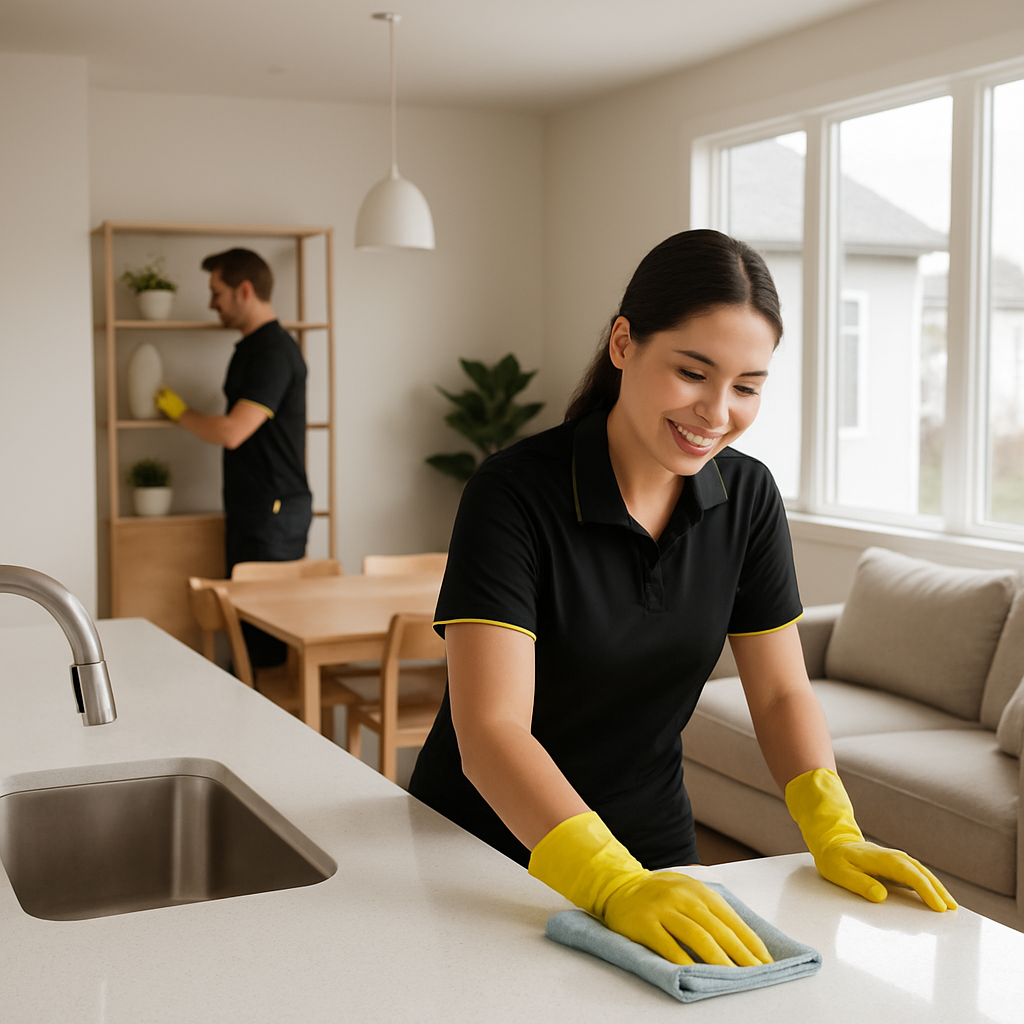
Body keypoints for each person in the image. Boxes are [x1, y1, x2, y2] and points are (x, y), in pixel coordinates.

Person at [409, 229, 956, 968]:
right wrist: (608, 881)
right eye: (694, 372)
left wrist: (833, 827)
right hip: (484, 848)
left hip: (656, 845)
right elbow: (491, 730)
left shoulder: (748, 497)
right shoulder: (513, 494)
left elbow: (781, 693)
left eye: (747, 386)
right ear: (624, 343)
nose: (717, 412)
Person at [155, 248, 312, 667]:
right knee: (247, 639)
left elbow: (233, 431)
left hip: (273, 515)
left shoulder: (274, 352)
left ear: (245, 290)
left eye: (217, 292)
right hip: (254, 511)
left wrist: (180, 413)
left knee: (262, 648)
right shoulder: (250, 349)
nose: (211, 303)